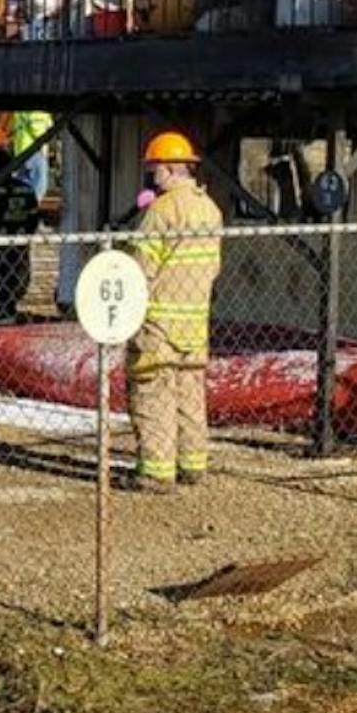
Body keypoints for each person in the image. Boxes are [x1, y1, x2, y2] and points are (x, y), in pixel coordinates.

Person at [126, 130, 224, 493]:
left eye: (155, 170)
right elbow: (213, 267)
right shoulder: (210, 209)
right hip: (195, 320)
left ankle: (156, 472)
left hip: (159, 322)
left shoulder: (162, 211)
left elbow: (141, 269)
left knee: (153, 393)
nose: (152, 177)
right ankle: (193, 463)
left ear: (168, 169)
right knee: (189, 391)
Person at [11, 110, 53, 200]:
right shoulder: (38, 109)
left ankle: (23, 209)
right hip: (34, 151)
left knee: (23, 186)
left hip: (21, 151)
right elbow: (38, 130)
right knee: (39, 187)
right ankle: (32, 208)